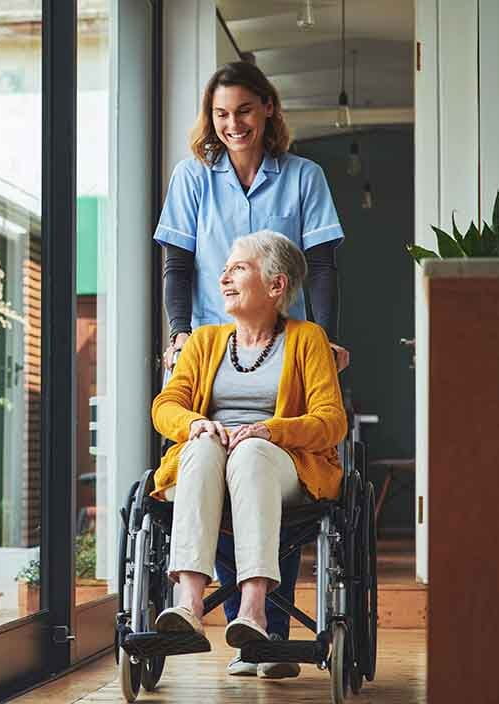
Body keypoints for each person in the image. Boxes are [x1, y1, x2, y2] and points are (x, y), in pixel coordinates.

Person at [153, 60, 347, 678]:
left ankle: (264, 629)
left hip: (281, 346)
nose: (231, 123)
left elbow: (321, 264)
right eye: (220, 113)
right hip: (217, 343)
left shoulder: (303, 177)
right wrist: (181, 337)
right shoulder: (193, 178)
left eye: (243, 110)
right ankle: (208, 610)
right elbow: (177, 265)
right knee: (208, 453)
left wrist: (322, 337)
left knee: (258, 457)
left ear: (267, 109)